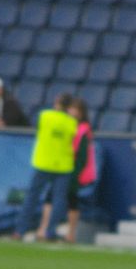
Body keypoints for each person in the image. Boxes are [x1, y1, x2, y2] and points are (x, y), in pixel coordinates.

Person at [12, 93, 77, 242]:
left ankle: (20, 231)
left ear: (57, 103)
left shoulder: (45, 116)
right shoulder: (72, 123)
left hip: (43, 162)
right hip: (63, 165)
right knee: (59, 200)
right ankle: (50, 232)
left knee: (32, 197)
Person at [36, 97, 97, 243]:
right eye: (71, 109)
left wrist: (76, 173)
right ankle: (44, 229)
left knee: (71, 200)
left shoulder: (83, 129)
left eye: (76, 110)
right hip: (61, 166)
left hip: (72, 170)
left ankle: (70, 233)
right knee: (51, 198)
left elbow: (82, 155)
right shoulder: (65, 124)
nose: (73, 112)